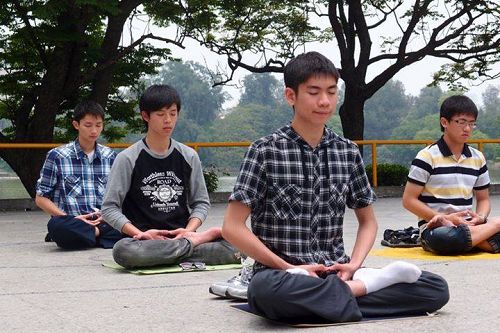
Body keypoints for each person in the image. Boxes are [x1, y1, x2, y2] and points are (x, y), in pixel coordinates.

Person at [216, 52, 449, 322]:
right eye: (314, 92)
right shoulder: (264, 151)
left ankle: (343, 292)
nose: (324, 101)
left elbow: (368, 222)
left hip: (336, 268)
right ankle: (362, 290)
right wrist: (288, 266)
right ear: (291, 96)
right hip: (283, 274)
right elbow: (232, 226)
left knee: (435, 288)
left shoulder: (347, 151)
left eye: (331, 91)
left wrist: (354, 265)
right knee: (264, 292)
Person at [101, 84, 240, 268]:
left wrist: (188, 232)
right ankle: (189, 249)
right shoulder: (127, 158)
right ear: (145, 116)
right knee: (123, 251)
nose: (168, 120)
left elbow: (201, 203)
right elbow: (109, 208)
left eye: (173, 113)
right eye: (160, 114)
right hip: (143, 240)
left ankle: (180, 248)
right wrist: (139, 233)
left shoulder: (189, 156)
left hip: (182, 234)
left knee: (239, 246)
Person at [403, 95, 500, 255]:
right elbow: (408, 200)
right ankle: (493, 227)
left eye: (471, 123)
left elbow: (483, 199)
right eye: (461, 122)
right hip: (435, 228)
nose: (467, 129)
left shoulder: (477, 158)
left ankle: (470, 239)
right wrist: (444, 218)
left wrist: (481, 217)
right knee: (444, 238)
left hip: (469, 225)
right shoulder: (427, 157)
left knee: (454, 240)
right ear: (444, 122)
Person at [35, 100, 123, 249]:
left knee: (136, 223)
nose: (94, 131)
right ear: (76, 125)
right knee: (56, 226)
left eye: (98, 125)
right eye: (88, 125)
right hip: (72, 221)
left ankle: (89, 235)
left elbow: (120, 195)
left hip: (105, 222)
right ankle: (97, 236)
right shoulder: (57, 156)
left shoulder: (111, 157)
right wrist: (70, 218)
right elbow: (41, 198)